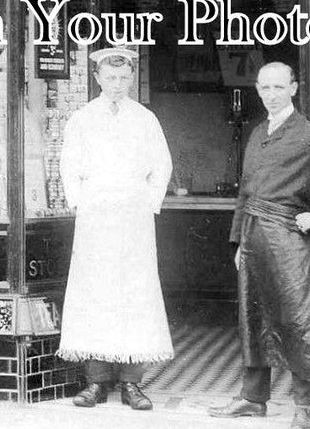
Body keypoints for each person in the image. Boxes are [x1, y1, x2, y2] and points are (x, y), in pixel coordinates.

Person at [209, 62, 310, 429]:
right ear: (258, 91)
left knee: (297, 320)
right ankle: (252, 398)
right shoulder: (257, 132)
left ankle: (305, 406)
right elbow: (245, 193)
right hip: (253, 236)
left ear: (294, 88)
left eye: (279, 87)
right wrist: (237, 241)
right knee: (251, 317)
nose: (272, 95)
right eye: (265, 88)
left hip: (289, 239)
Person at [57, 47, 174, 410]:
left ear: (132, 78)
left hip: (134, 220)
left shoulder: (145, 119)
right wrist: (82, 202)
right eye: (110, 78)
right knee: (96, 293)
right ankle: (95, 382)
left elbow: (162, 165)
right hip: (96, 219)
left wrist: (148, 203)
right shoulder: (82, 118)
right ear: (97, 79)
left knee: (135, 294)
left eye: (124, 78)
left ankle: (131, 383)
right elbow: (69, 165)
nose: (118, 84)